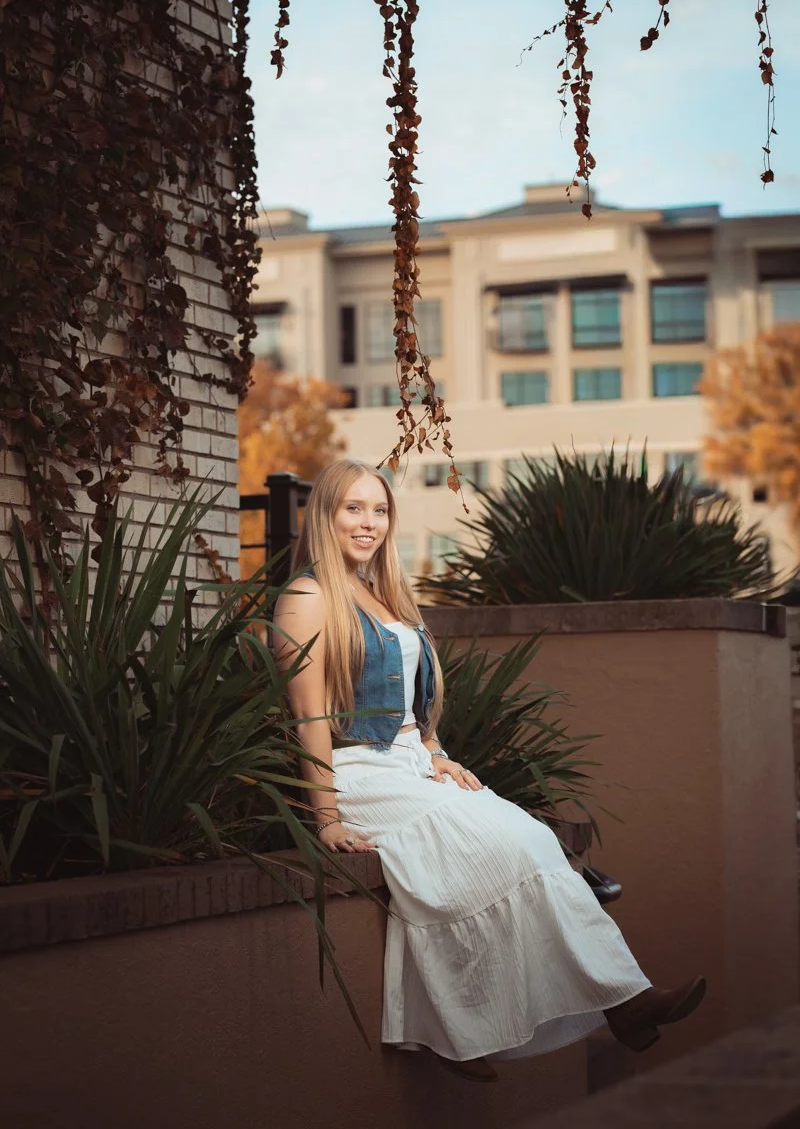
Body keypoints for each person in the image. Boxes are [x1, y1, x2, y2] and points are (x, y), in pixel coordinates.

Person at [272, 459, 706, 1083]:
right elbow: (309, 717)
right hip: (358, 771)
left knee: (532, 840)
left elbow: (412, 703)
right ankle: (501, 1025)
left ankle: (624, 1001)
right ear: (325, 516)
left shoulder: (386, 593)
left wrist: (436, 751)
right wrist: (327, 818)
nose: (369, 523)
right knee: (475, 854)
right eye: (353, 508)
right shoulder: (307, 598)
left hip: (411, 766)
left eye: (380, 510)